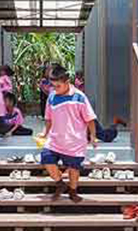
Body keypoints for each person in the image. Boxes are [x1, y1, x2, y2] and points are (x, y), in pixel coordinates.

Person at [41, 66, 97, 203]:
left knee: (74, 169)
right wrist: (45, 132)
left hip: (75, 142)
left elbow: (90, 119)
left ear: (67, 82)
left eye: (58, 86)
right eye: (53, 86)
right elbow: (48, 118)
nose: (55, 89)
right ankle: (60, 184)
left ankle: (73, 191)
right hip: (55, 140)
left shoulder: (79, 97)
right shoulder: (52, 97)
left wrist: (93, 136)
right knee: (46, 159)